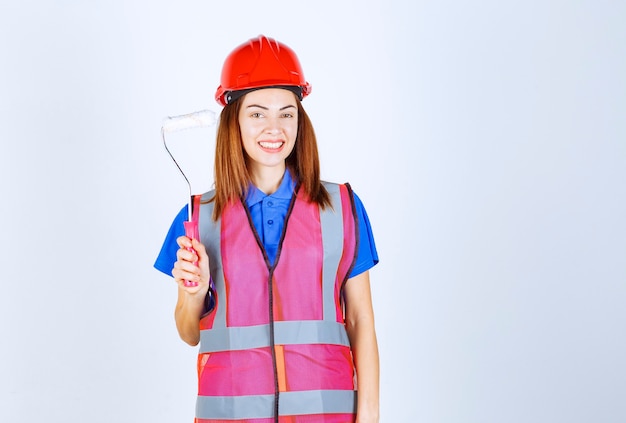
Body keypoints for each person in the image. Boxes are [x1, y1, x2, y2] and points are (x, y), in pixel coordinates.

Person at [154, 35, 380, 423]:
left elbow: (361, 320)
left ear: (299, 119)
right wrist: (194, 293)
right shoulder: (199, 216)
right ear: (234, 120)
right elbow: (189, 332)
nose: (274, 128)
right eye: (257, 113)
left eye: (286, 113)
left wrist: (370, 418)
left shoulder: (342, 208)